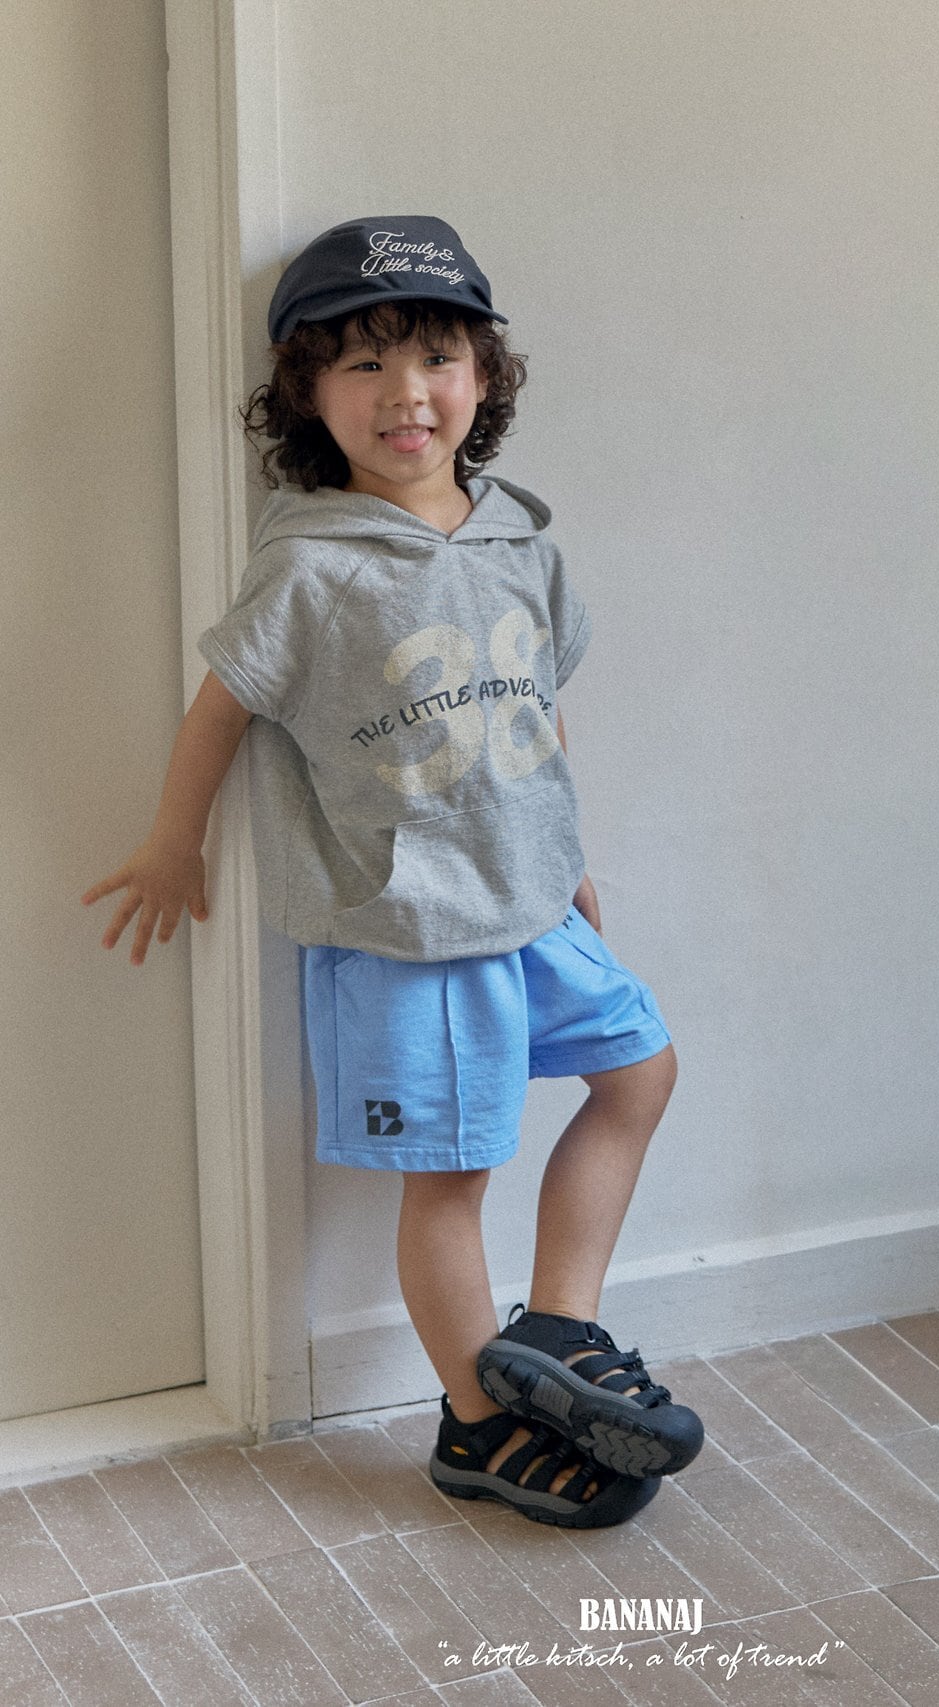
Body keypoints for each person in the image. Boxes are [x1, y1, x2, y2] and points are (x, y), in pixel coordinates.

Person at [82, 215, 701, 1528]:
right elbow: (222, 705)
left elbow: (538, 713)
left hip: (530, 901)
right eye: (363, 364)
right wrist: (174, 840)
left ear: (482, 378)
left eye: (434, 358)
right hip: (409, 927)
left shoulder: (523, 541)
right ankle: (477, 1423)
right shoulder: (311, 563)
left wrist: (570, 860)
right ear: (309, 393)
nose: (405, 392)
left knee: (640, 1074)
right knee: (454, 1174)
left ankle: (558, 1335)